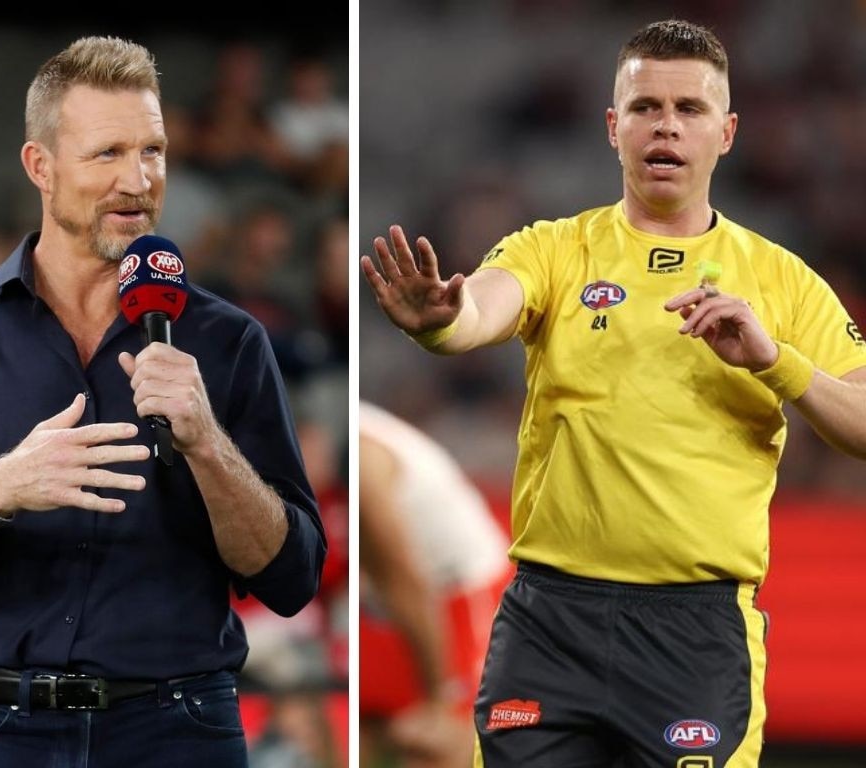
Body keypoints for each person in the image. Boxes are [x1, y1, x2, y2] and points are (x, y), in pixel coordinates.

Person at [361, 19, 866, 768]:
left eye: (689, 109)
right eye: (645, 107)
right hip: (547, 621)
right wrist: (443, 322)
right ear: (612, 126)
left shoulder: (784, 281)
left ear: (725, 132)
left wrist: (775, 361)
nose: (666, 126)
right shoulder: (555, 247)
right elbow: (480, 310)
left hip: (693, 633)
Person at [0, 35, 325, 768]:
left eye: (153, 151)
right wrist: (1, 487)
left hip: (182, 727)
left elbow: (293, 576)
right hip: (0, 725)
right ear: (39, 166)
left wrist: (208, 443)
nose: (138, 180)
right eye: (107, 154)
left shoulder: (230, 340)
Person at [359, 401, 511, 768]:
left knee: (445, 745)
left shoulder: (364, 461)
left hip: (463, 594)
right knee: (368, 732)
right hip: (387, 608)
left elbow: (406, 584)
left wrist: (439, 698)